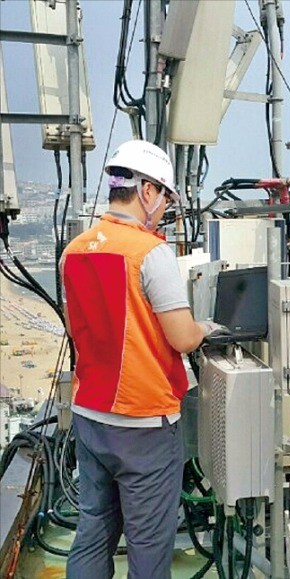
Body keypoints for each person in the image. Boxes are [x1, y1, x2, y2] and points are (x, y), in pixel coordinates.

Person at [61, 140, 226, 578]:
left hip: (90, 414)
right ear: (148, 191)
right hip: (143, 424)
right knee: (149, 547)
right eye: (166, 197)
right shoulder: (149, 253)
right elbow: (182, 338)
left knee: (93, 531)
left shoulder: (73, 251)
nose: (165, 208)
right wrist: (206, 328)